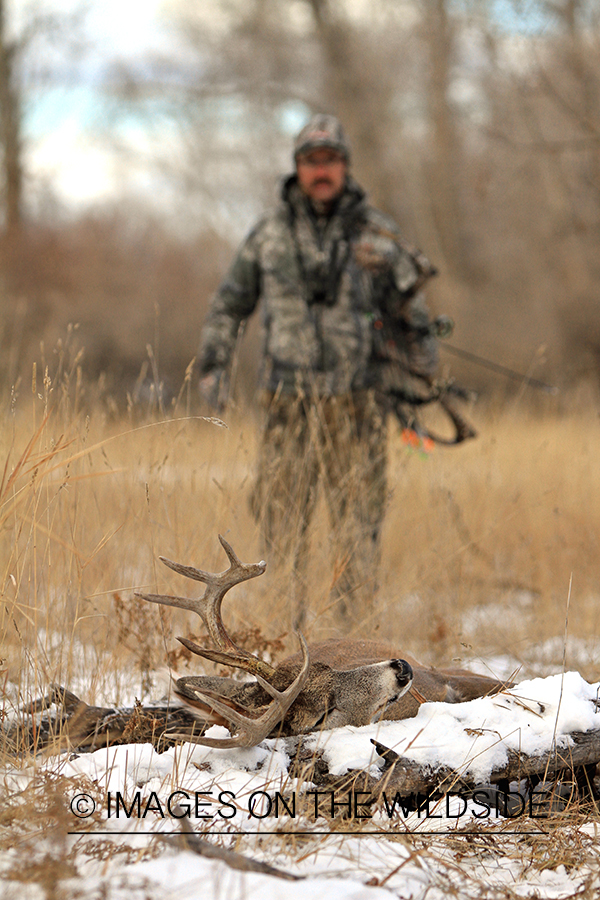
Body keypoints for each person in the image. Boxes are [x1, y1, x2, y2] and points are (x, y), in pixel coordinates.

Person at [198, 114, 438, 624]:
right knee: (281, 526)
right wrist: (213, 366)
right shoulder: (268, 233)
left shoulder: (379, 233)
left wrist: (423, 381)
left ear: (345, 166)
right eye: (311, 161)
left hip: (359, 404)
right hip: (287, 404)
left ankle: (354, 650)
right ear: (298, 169)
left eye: (330, 160)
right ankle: (286, 643)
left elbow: (413, 316)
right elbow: (229, 304)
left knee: (359, 529)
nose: (321, 170)